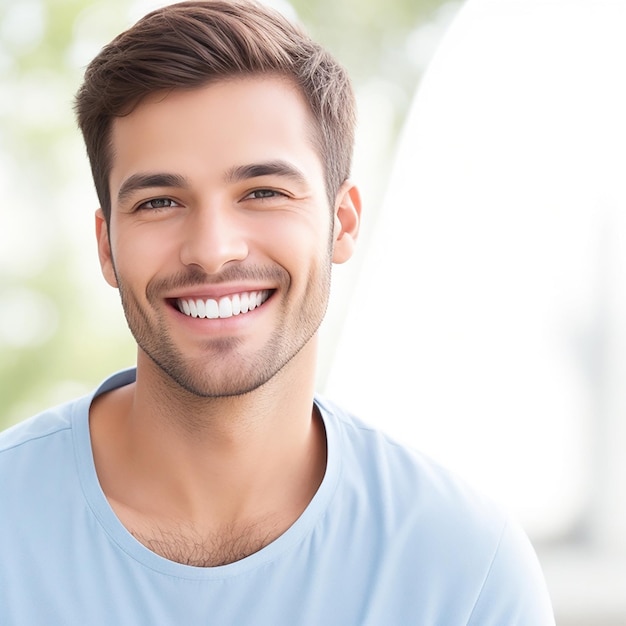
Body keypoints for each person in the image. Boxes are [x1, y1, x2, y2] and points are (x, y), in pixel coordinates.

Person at [0, 1, 555, 624]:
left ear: (341, 223)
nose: (212, 252)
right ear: (106, 246)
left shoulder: (464, 568)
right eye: (159, 202)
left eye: (262, 192)